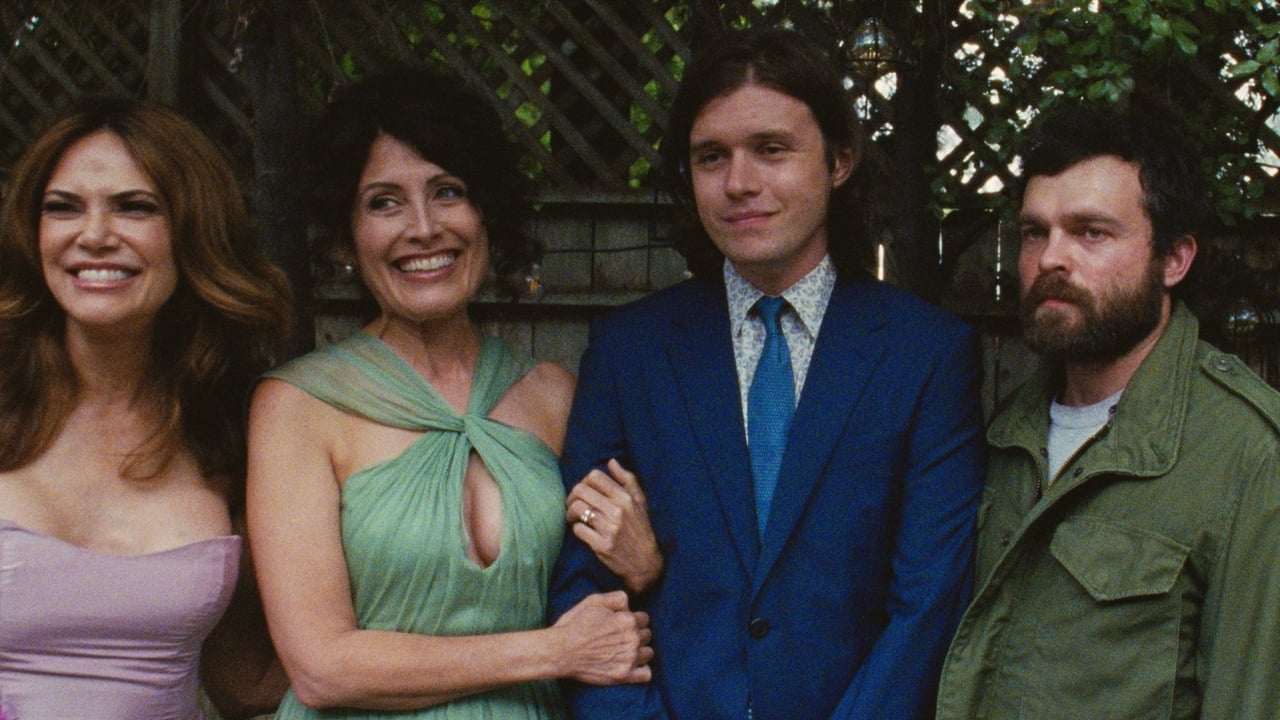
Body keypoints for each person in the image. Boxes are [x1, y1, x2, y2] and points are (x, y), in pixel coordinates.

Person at [548, 28, 986, 720]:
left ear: (839, 161)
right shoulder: (628, 353)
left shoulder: (927, 356)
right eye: (711, 157)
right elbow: (584, 596)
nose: (739, 183)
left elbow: (927, 608)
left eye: (772, 150)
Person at [246, 66, 653, 720]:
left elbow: (617, 609)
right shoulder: (298, 406)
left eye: (447, 192)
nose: (423, 227)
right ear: (347, 237)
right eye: (384, 202)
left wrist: (645, 567)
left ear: (487, 213)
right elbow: (322, 668)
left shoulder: (554, 396)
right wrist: (551, 652)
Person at [934, 101, 1280, 719]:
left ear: (1174, 259)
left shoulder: (1248, 455)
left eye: (1091, 232)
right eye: (1035, 232)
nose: (1050, 258)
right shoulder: (1004, 431)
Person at [0, 96, 290, 719]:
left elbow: (246, 683)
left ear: (194, 231)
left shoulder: (235, 428)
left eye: (135, 207)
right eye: (62, 207)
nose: (94, 236)